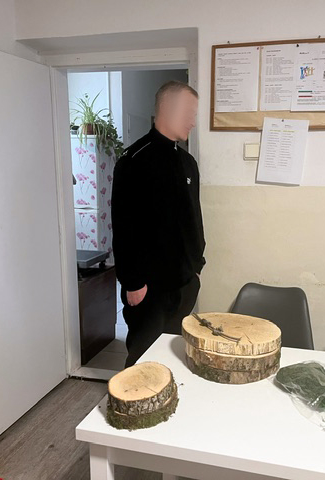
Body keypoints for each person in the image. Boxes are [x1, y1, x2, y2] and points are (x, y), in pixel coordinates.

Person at [111, 80, 205, 367]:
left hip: (185, 283)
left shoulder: (188, 162)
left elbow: (193, 218)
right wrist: (132, 282)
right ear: (165, 109)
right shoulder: (134, 160)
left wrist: (197, 265)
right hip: (148, 288)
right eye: (188, 113)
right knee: (143, 361)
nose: (192, 121)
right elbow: (123, 225)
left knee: (174, 357)